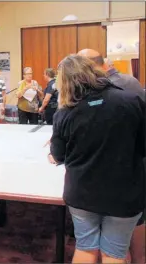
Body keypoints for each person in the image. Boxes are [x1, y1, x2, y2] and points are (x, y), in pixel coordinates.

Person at [49, 55, 145, 264]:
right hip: (124, 193)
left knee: (85, 248)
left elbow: (58, 155)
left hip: (81, 191)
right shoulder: (131, 101)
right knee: (115, 253)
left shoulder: (65, 113)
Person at [78, 49, 145, 264]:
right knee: (128, 225)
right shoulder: (130, 83)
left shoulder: (117, 87)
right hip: (126, 168)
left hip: (114, 167)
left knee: (107, 243)